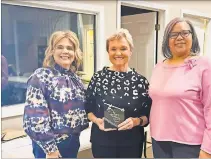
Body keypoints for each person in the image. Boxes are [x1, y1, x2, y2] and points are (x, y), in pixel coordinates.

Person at [149, 17, 211, 158]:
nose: (179, 38)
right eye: (173, 34)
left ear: (193, 37)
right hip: (159, 140)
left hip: (189, 144)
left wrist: (209, 149)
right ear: (167, 40)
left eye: (185, 33)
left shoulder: (205, 66)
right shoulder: (158, 67)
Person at [85, 28, 152, 158]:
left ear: (131, 51)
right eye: (113, 49)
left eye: (123, 48)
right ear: (108, 52)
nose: (118, 53)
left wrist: (136, 121)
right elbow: (88, 108)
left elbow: (148, 116)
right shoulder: (98, 78)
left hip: (131, 144)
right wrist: (97, 120)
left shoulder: (140, 81)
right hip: (102, 143)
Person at [23, 30, 89, 158]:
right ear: (52, 51)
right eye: (60, 47)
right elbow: (34, 118)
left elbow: (84, 107)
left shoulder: (75, 79)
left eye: (70, 48)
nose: (65, 51)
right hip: (49, 146)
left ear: (75, 53)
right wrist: (50, 149)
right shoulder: (41, 76)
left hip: (72, 142)